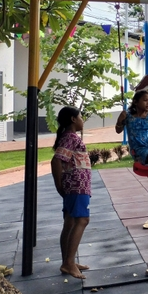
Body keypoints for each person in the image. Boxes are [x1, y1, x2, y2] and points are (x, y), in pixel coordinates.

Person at [51, 106, 92, 279]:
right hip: (76, 186)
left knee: (69, 222)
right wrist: (59, 185)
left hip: (75, 186)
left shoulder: (69, 137)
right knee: (82, 220)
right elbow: (56, 160)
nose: (83, 120)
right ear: (73, 119)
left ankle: (68, 261)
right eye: (80, 117)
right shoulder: (70, 137)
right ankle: (68, 263)